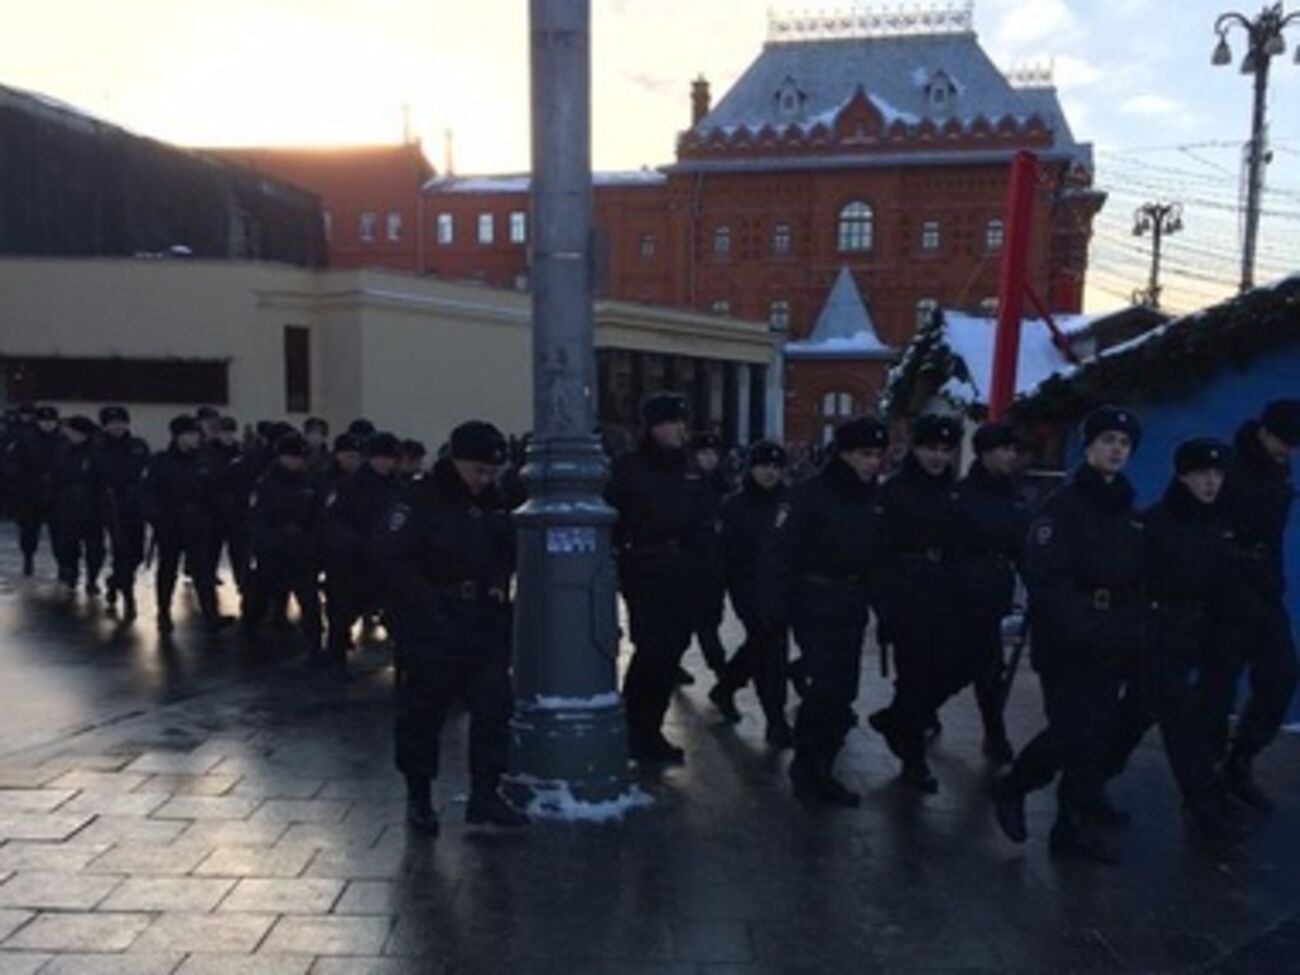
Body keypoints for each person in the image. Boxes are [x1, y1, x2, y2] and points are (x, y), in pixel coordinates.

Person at [992, 406, 1147, 864]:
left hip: (1113, 637)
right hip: (1069, 640)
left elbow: (1138, 578)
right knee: (1072, 730)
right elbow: (1047, 576)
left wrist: (1129, 629)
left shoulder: (1128, 510)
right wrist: (1080, 627)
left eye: (1123, 443)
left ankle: (1069, 825)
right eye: (1107, 441)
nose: (1115, 450)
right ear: (1089, 447)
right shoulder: (1061, 506)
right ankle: (1015, 784)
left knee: (1094, 735)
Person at [372, 420, 527, 835]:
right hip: (432, 622)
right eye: (477, 471)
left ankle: (485, 794)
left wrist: (497, 587)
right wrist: (424, 608)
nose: (484, 480)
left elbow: (504, 551)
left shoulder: (494, 500)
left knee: (494, 706)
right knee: (425, 711)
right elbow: (389, 557)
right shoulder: (420, 498)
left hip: (482, 621)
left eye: (491, 472)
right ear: (456, 461)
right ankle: (419, 796)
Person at [1102, 438, 1252, 844]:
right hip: (1159, 633)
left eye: (1218, 473)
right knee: (1182, 724)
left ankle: (1089, 782)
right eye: (1202, 472)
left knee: (1133, 716)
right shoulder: (1157, 524)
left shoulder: (1217, 522)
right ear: (1182, 475)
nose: (1211, 481)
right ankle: (1204, 807)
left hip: (1199, 634)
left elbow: (1223, 581)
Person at [760, 417, 889, 807]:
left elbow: (878, 557)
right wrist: (773, 608)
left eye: (878, 455)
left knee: (842, 694)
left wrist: (886, 608)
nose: (873, 463)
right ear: (845, 453)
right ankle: (805, 768)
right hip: (814, 600)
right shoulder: (809, 496)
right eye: (865, 454)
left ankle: (823, 768)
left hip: (852, 603)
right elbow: (778, 552)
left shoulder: (873, 497)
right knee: (827, 688)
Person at [1203, 398, 1300, 813]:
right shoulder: (1228, 466)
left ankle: (1240, 759)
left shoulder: (1281, 470)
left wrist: (1272, 582)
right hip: (1226, 587)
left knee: (1280, 673)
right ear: (1264, 431)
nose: (1288, 449)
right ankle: (1204, 780)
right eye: (1283, 440)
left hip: (1264, 587)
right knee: (1218, 687)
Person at [607, 393, 713, 764]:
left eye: (682, 421)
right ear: (653, 426)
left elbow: (702, 520)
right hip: (645, 567)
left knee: (672, 651)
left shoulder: (688, 469)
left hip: (682, 569)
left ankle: (648, 729)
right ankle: (636, 726)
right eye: (672, 422)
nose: (680, 429)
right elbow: (612, 518)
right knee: (652, 649)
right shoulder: (628, 467)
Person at [871, 413, 964, 793]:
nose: (938, 458)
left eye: (945, 450)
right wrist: (886, 607)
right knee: (914, 679)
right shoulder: (894, 491)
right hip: (908, 597)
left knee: (946, 673)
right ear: (915, 448)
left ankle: (897, 720)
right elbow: (879, 553)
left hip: (945, 597)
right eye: (931, 448)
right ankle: (914, 759)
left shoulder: (954, 491)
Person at [945, 421, 1028, 764]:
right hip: (965, 590)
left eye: (1013, 449)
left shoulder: (1014, 494)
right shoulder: (963, 494)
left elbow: (1021, 544)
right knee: (972, 666)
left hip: (996, 589)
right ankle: (917, 714)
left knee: (985, 667)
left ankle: (993, 732)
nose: (1011, 456)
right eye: (1003, 449)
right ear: (984, 453)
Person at [709, 440, 793, 747]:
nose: (769, 473)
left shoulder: (790, 502)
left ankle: (727, 685)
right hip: (747, 585)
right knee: (770, 647)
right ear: (751, 468)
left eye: (775, 467)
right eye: (763, 466)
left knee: (764, 644)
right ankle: (775, 717)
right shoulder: (734, 505)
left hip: (782, 584)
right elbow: (723, 552)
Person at [141, 414, 231, 635]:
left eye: (196, 434)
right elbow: (149, 492)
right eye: (190, 434)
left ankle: (211, 615)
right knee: (167, 571)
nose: (195, 439)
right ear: (178, 436)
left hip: (198, 523)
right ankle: (163, 612)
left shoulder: (205, 461)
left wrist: (214, 517)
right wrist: (155, 518)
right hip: (170, 523)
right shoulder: (161, 462)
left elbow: (216, 492)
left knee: (204, 572)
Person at [322, 432, 401, 676]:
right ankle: (336, 660)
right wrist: (354, 544)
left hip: (385, 559)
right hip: (352, 561)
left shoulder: (396, 486)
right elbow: (333, 521)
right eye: (383, 458)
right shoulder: (351, 486)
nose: (388, 464)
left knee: (396, 611)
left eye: (391, 458)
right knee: (343, 612)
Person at [241, 433, 323, 657]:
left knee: (309, 598)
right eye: (292, 457)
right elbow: (256, 517)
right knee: (260, 594)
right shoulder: (265, 483)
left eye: (300, 458)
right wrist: (273, 537)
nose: (296, 462)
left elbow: (317, 514)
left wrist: (306, 536)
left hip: (301, 549)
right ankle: (249, 629)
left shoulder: (310, 482)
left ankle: (315, 640)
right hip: (272, 550)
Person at [96, 406, 151, 621]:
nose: (117, 426)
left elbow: (146, 473)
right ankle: (129, 598)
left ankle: (115, 581)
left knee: (137, 554)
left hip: (135, 505)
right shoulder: (99, 448)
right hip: (112, 506)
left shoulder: (138, 446)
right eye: (112, 422)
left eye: (121, 421)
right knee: (121, 551)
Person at [686, 430, 732, 685]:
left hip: (715, 565)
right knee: (699, 625)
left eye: (714, 453)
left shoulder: (722, 483)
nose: (710, 458)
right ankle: (721, 673)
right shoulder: (687, 484)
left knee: (708, 620)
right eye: (704, 453)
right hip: (691, 565)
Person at [50, 415, 106, 596]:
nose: (69, 434)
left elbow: (103, 479)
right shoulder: (63, 451)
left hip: (92, 505)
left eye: (73, 431)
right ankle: (71, 572)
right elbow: (56, 476)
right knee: (67, 544)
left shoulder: (97, 453)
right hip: (66, 506)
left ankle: (92, 578)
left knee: (95, 547)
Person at [6, 405, 63, 576]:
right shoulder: (25, 439)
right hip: (31, 489)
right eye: (44, 421)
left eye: (51, 421)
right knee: (30, 529)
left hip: (57, 491)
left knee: (60, 531)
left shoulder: (63, 439)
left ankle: (63, 563)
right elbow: (11, 463)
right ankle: (28, 558)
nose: (47, 424)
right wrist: (22, 479)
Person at [207, 416, 254, 594]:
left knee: (241, 556)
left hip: (238, 512)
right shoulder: (208, 453)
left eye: (230, 432)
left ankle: (244, 591)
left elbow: (250, 477)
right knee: (211, 555)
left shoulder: (243, 453)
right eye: (224, 432)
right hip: (213, 512)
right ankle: (209, 596)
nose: (228, 436)